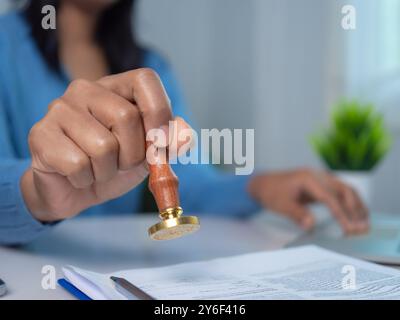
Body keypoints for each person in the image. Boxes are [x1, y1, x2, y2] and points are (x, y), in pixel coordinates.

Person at [0, 0, 368, 245]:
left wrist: (261, 186)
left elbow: (190, 185)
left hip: (116, 270)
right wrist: (38, 193)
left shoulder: (152, 68)